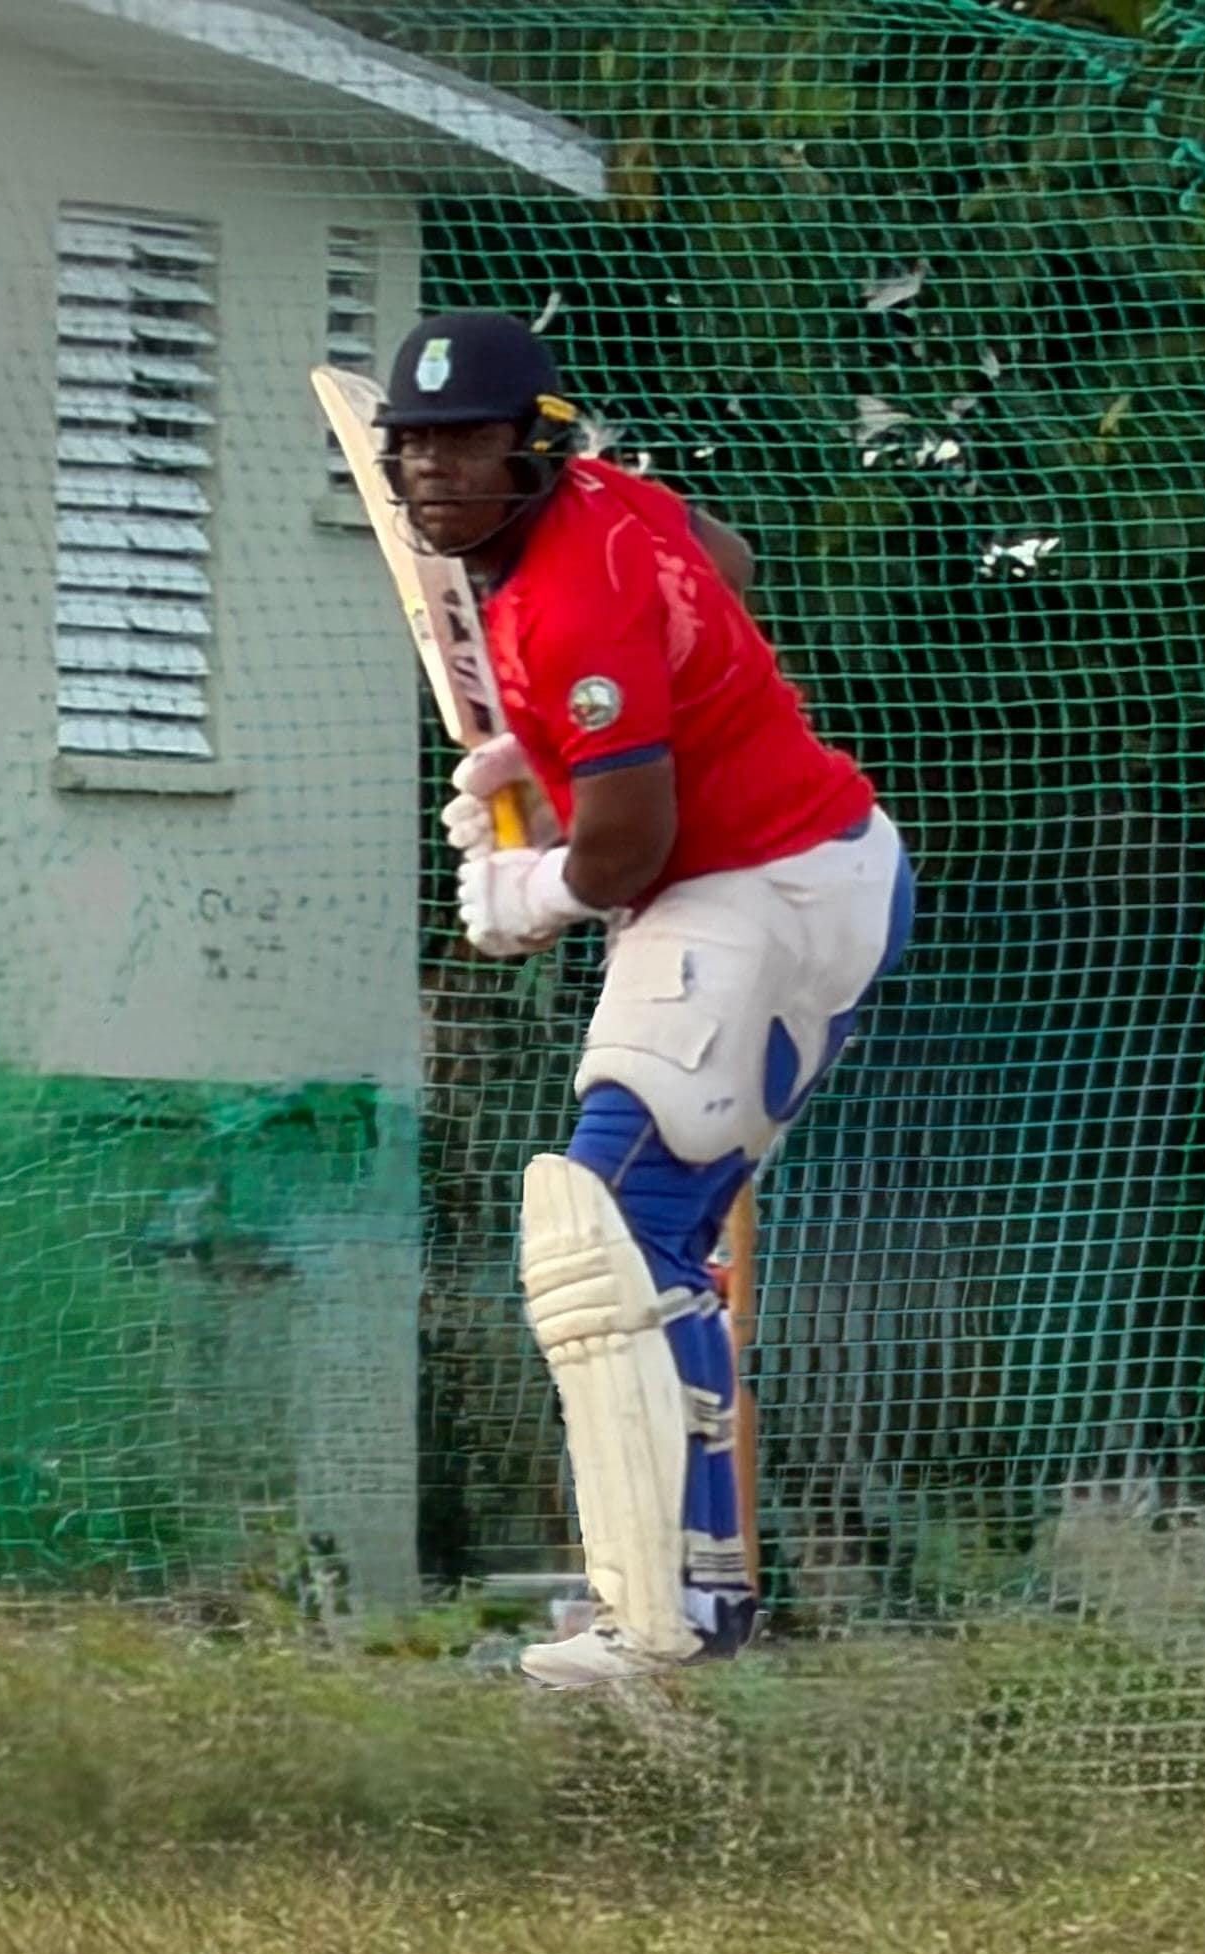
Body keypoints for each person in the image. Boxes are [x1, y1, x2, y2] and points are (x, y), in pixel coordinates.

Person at [377, 310, 913, 1689]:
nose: (436, 474)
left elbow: (634, 849)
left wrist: (531, 889)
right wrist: (538, 747)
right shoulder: (615, 501)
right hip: (799, 872)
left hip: (758, 891)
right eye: (416, 445)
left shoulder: (560, 602)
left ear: (535, 448)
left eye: (468, 444)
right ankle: (693, 1598)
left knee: (604, 1235)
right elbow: (720, 570)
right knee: (641, 1244)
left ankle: (657, 1612)